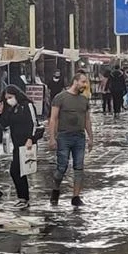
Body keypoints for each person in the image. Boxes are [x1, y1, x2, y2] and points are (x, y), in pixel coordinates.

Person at [48, 72, 93, 207]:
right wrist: (52, 137)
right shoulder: (60, 98)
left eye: (86, 82)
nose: (85, 85)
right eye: (83, 82)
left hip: (79, 137)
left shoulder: (84, 100)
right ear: (75, 81)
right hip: (64, 136)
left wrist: (91, 137)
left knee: (79, 167)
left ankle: (76, 196)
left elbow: (87, 120)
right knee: (62, 167)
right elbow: (53, 118)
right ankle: (56, 190)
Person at [0, 85, 38, 209]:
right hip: (17, 144)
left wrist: (31, 138)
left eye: (10, 97)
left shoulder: (27, 105)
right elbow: (4, 124)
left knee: (17, 171)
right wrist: (1, 112)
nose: (8, 100)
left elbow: (34, 123)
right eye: (7, 98)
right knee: (18, 171)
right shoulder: (11, 109)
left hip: (26, 143)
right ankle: (22, 197)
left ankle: (24, 198)